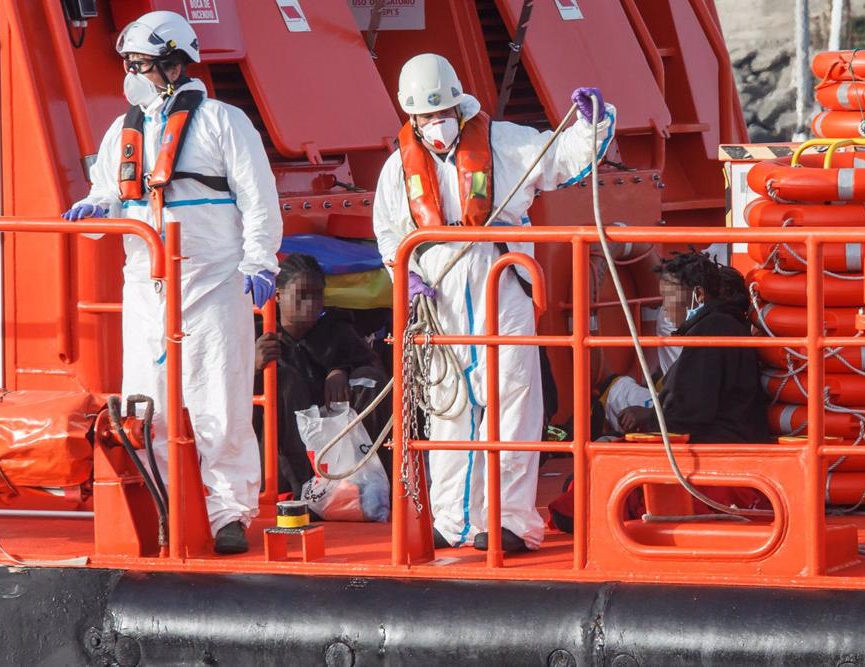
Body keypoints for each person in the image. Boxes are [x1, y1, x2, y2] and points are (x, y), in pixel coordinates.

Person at [373, 53, 615, 553]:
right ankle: (453, 519)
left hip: (502, 286)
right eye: (425, 118)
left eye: (442, 114)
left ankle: (510, 520)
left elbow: (565, 158)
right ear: (411, 118)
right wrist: (408, 277)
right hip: (439, 295)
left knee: (513, 401)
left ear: (459, 107)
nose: (435, 126)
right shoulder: (398, 169)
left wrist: (595, 122)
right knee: (448, 406)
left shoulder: (504, 142)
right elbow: (388, 235)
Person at [61, 11, 281, 554]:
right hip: (145, 285)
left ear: (174, 64)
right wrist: (96, 207)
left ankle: (226, 512)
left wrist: (260, 262)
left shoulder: (223, 123)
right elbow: (109, 190)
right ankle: (168, 504)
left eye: (141, 64)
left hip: (212, 279)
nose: (132, 74)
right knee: (147, 402)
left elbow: (258, 197)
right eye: (129, 64)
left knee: (219, 400)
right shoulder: (124, 129)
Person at [254, 254, 389, 498]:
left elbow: (373, 368)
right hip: (279, 461)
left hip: (337, 453)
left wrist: (342, 371)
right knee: (284, 381)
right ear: (278, 296)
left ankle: (375, 484)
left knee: (369, 379)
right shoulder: (259, 332)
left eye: (317, 296)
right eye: (302, 296)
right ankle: (303, 492)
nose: (311, 305)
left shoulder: (335, 330)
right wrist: (253, 366)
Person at [616, 252, 770, 444]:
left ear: (697, 295)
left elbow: (689, 412)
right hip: (733, 438)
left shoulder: (711, 331)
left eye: (669, 297)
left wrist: (648, 416)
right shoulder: (723, 324)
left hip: (719, 446)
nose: (665, 307)